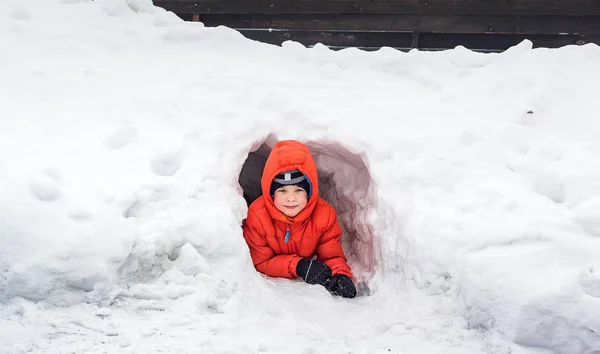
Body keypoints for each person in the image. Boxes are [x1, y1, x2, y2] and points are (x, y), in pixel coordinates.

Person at [242, 140, 356, 298]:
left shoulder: (324, 215)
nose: (291, 199)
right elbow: (260, 262)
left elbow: (331, 255)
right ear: (271, 193)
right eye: (282, 190)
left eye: (298, 190)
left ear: (309, 191)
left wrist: (340, 275)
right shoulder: (257, 216)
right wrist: (298, 266)